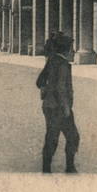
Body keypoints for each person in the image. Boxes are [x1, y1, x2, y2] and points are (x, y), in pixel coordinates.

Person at [36, 33, 80, 173]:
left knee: (52, 137)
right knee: (73, 136)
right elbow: (61, 88)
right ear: (66, 49)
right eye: (71, 48)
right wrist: (66, 108)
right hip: (60, 107)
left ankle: (46, 169)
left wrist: (45, 91)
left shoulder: (51, 60)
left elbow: (39, 82)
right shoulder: (63, 65)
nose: (73, 51)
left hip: (48, 106)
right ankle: (70, 167)